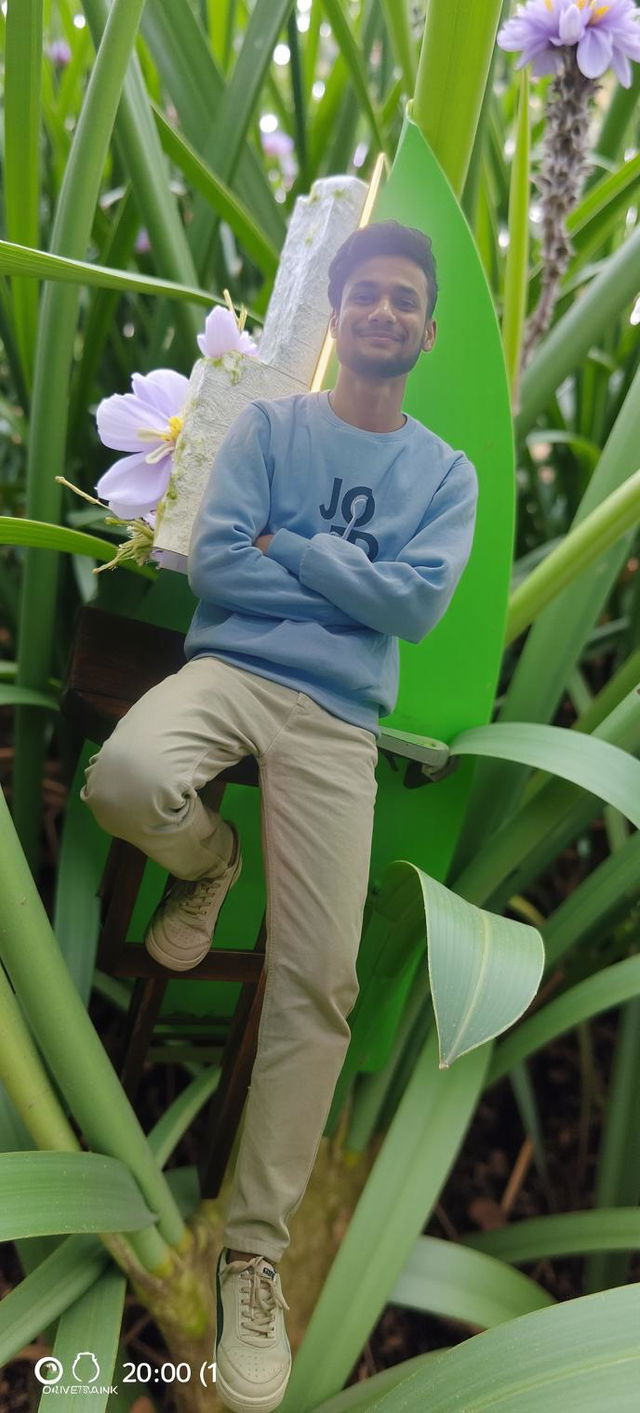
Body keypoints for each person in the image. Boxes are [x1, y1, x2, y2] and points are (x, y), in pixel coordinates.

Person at [81, 219, 478, 1413]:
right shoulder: (268, 427)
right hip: (234, 670)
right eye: (366, 296)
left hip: (337, 722)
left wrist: (292, 541)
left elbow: (410, 614)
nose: (383, 315)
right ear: (340, 310)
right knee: (124, 775)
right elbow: (219, 570)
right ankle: (209, 862)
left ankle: (254, 1246)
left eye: (404, 301)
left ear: (425, 326)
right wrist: (331, 575)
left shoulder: (444, 475)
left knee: (322, 979)